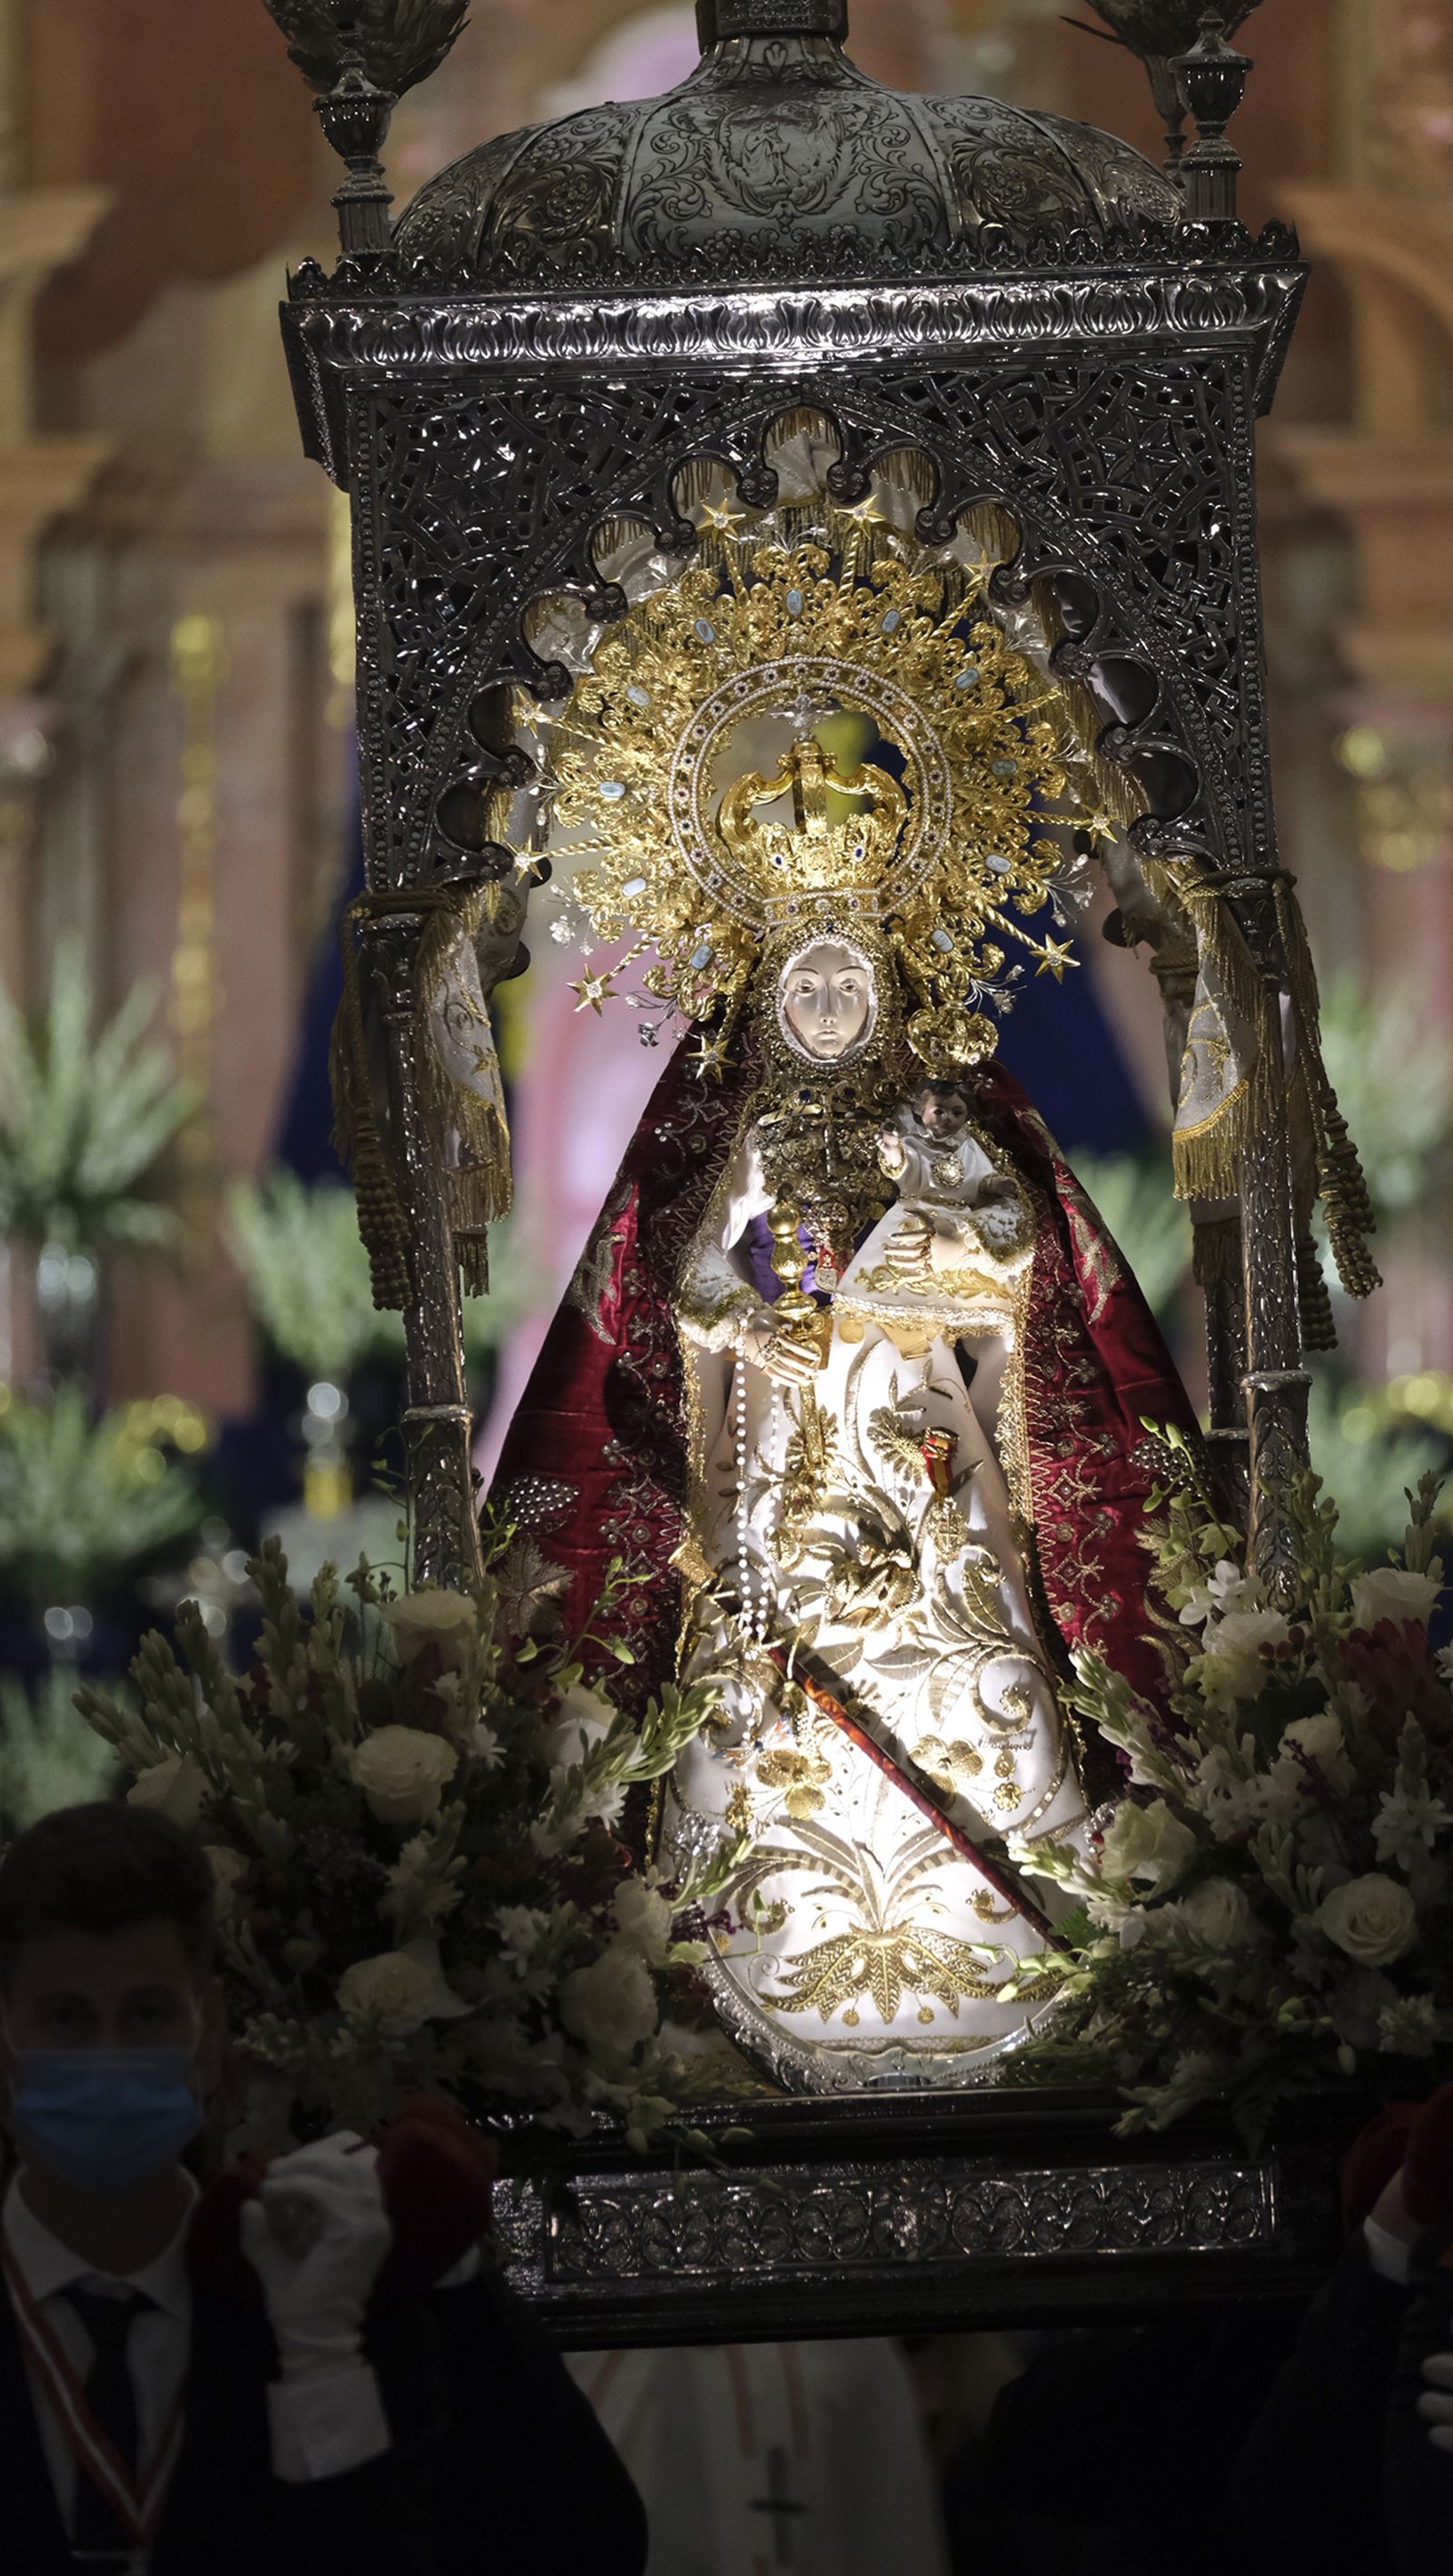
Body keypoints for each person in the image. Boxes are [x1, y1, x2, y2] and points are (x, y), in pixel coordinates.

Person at [0, 1800, 648, 2576]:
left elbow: (591, 2547)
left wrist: (456, 2283)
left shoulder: (321, 2286)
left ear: (207, 2035)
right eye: (65, 2019)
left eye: (145, 2014)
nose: (107, 2056)